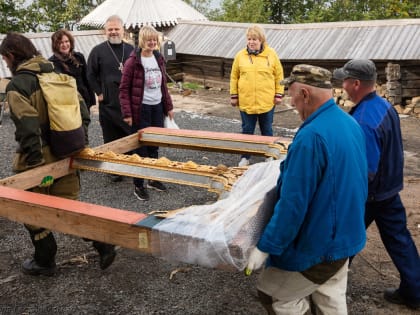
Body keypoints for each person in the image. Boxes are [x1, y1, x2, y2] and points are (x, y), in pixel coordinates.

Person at [245, 65, 368, 314]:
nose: (290, 101)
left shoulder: (311, 137)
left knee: (275, 295)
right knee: (329, 296)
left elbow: (293, 204)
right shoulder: (348, 122)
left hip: (321, 243)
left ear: (305, 94)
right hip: (346, 232)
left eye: (291, 94)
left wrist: (266, 246)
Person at [0, 32, 116, 276]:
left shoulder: (18, 85)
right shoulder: (59, 75)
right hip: (67, 155)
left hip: (37, 161)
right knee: (69, 207)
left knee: (30, 209)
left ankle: (45, 259)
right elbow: (84, 115)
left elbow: (28, 127)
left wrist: (37, 167)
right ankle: (103, 242)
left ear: (10, 56)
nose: (6, 63)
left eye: (5, 59)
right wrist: (76, 144)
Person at [333, 59, 420, 310]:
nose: (343, 86)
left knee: (343, 237)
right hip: (390, 189)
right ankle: (415, 291)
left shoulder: (364, 121)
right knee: (399, 240)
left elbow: (365, 170)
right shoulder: (384, 105)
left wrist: (342, 194)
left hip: (371, 194)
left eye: (346, 81)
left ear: (357, 83)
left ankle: (327, 285)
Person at [119, 25, 174, 201]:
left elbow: (164, 85)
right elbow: (124, 89)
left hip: (156, 107)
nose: (152, 42)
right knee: (140, 147)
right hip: (140, 108)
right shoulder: (133, 61)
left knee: (154, 144)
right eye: (149, 39)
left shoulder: (158, 58)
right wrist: (127, 113)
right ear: (142, 40)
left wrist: (169, 107)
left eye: (154, 39)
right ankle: (138, 184)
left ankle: (153, 179)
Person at [87, 15, 133, 182]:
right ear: (105, 31)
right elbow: (90, 74)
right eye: (110, 29)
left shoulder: (130, 50)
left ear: (122, 30)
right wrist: (99, 92)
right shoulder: (97, 51)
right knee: (111, 136)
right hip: (108, 102)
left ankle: (129, 166)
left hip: (127, 102)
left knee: (129, 135)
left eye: (116, 29)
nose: (113, 32)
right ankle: (114, 170)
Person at [230, 25, 284, 167]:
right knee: (247, 130)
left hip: (266, 101)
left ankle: (269, 155)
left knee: (267, 129)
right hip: (246, 101)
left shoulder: (271, 54)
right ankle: (245, 157)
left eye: (254, 39)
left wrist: (279, 94)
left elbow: (279, 75)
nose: (251, 42)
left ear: (261, 40)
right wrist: (234, 95)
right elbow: (234, 77)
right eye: (249, 39)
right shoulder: (240, 56)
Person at [49, 29, 96, 111]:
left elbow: (86, 78)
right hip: (67, 104)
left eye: (66, 41)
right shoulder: (51, 63)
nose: (64, 45)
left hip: (84, 100)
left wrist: (91, 100)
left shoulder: (79, 57)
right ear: (55, 45)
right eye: (60, 42)